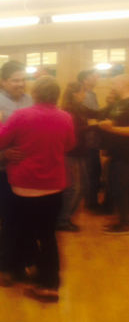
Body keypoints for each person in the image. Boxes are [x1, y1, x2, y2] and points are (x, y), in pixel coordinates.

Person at [0, 76, 75, 302]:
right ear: (56, 95)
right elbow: (70, 144)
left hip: (24, 186)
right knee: (48, 235)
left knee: (25, 232)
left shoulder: (21, 116)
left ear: (34, 94)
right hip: (54, 186)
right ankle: (49, 284)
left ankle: (26, 272)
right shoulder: (65, 117)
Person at [0, 61, 33, 287]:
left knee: (24, 221)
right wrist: (5, 154)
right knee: (7, 221)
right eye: (15, 80)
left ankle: (20, 266)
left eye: (23, 79)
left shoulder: (30, 101)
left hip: (25, 172)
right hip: (0, 173)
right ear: (3, 81)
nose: (21, 84)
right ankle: (4, 267)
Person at [56, 82, 100, 232]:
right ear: (75, 94)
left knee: (82, 187)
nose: (84, 95)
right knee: (74, 188)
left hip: (80, 152)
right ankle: (62, 220)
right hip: (72, 153)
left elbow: (96, 113)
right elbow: (74, 130)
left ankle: (65, 218)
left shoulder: (79, 108)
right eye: (82, 92)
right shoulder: (69, 110)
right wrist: (95, 126)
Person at [97, 75, 129, 234]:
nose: (111, 86)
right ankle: (121, 221)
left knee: (123, 190)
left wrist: (111, 129)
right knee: (117, 189)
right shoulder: (118, 104)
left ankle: (125, 225)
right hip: (116, 154)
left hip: (126, 155)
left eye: (114, 83)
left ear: (124, 84)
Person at [78, 69, 103, 210]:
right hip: (88, 140)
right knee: (91, 172)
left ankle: (91, 201)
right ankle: (91, 203)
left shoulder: (92, 94)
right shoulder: (86, 96)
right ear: (85, 80)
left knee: (94, 171)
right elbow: (90, 116)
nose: (97, 78)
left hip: (93, 140)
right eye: (94, 76)